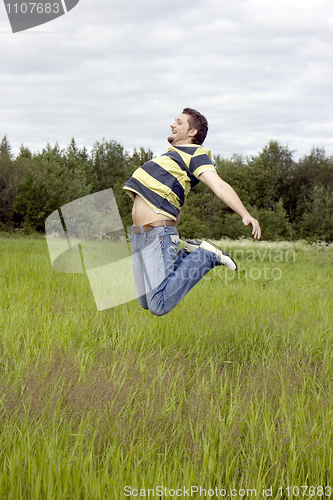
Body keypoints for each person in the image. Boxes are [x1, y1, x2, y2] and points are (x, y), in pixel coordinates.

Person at [123, 108, 261, 316]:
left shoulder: (196, 154)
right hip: (139, 236)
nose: (172, 124)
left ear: (192, 132)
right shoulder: (170, 157)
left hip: (157, 235)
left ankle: (205, 256)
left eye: (178, 122)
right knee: (145, 303)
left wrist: (245, 213)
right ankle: (189, 252)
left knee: (158, 305)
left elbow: (219, 185)